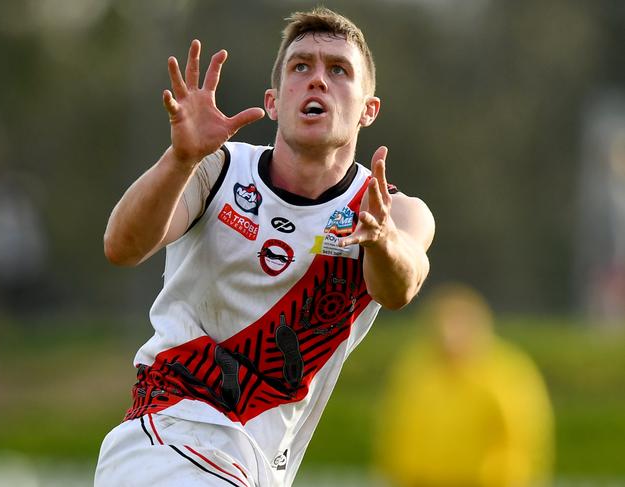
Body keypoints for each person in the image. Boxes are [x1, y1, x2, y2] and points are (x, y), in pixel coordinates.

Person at [96, 7, 434, 487]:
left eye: (338, 70)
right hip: (169, 437)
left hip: (255, 467)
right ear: (273, 102)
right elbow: (122, 247)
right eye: (301, 67)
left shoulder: (394, 212)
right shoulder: (216, 170)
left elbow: (400, 287)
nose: (317, 81)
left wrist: (379, 241)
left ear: (368, 109)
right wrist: (179, 159)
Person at [374, 283, 554, 487]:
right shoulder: (414, 369)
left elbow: (518, 442)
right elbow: (396, 432)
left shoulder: (508, 373)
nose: (448, 332)